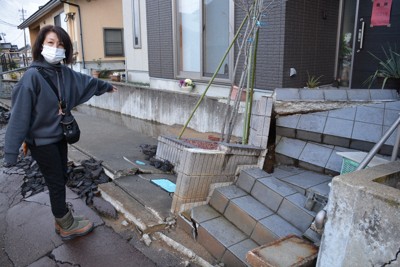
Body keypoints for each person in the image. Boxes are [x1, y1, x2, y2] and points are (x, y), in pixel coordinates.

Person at [4, 25, 117, 241]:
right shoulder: (31, 77)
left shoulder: (63, 73)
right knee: (55, 181)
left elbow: (87, 82)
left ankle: (62, 218)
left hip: (59, 137)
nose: (56, 48)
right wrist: (11, 152)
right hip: (41, 142)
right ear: (41, 46)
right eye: (51, 43)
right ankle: (65, 224)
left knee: (62, 176)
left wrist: (106, 87)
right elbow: (18, 116)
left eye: (61, 45)